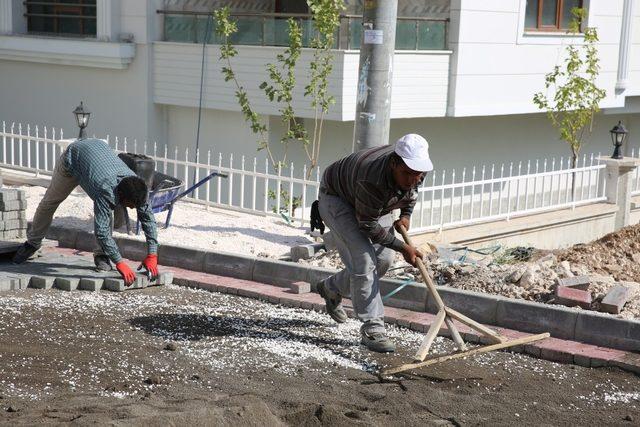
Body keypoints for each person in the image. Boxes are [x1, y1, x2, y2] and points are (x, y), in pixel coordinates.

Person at [316, 134, 432, 353]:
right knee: (364, 260)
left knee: (383, 260)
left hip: (371, 202)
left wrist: (406, 214)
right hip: (337, 199)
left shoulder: (415, 170)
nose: (411, 179)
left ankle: (331, 288)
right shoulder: (372, 178)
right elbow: (368, 225)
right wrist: (403, 247)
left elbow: (411, 193)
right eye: (406, 173)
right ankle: (373, 328)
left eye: (416, 174)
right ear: (393, 163)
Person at [13, 138, 159, 285]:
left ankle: (101, 255)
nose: (133, 209)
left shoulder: (138, 188)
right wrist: (119, 262)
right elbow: (102, 231)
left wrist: (152, 254)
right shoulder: (105, 190)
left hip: (97, 158)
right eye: (131, 206)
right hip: (73, 160)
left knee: (109, 212)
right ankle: (32, 242)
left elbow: (148, 219)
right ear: (122, 196)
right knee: (50, 202)